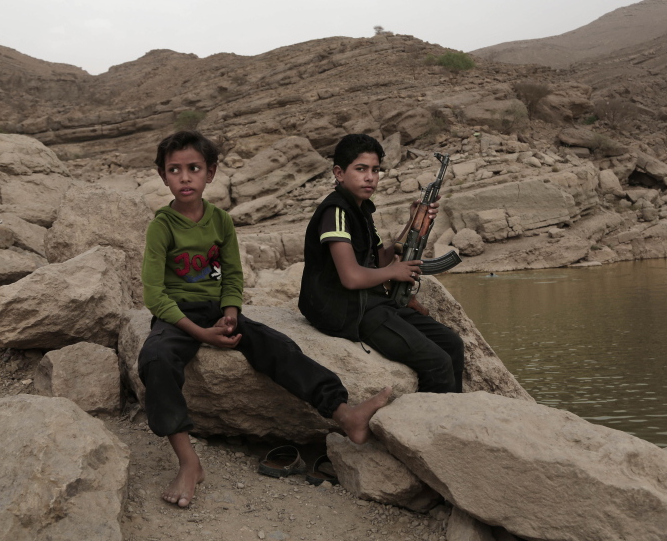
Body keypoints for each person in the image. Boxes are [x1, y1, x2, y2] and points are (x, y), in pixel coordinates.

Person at [138, 130, 391, 508]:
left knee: (278, 346)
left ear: (211, 173)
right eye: (175, 170)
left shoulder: (220, 220)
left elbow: (233, 275)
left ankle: (344, 413)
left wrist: (229, 313)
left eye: (194, 168)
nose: (185, 177)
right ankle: (189, 461)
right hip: (177, 317)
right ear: (163, 176)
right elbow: (154, 295)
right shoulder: (163, 225)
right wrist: (201, 334)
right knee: (155, 359)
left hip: (217, 312)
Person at [299, 134, 464, 394]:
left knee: (452, 343)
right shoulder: (336, 212)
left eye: (375, 170)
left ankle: (455, 417)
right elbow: (351, 277)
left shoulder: (361, 211)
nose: (370, 177)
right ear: (339, 173)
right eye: (361, 169)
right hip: (347, 309)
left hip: (370, 301)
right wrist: (393, 272)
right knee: (437, 363)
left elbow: (381, 259)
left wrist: (414, 222)